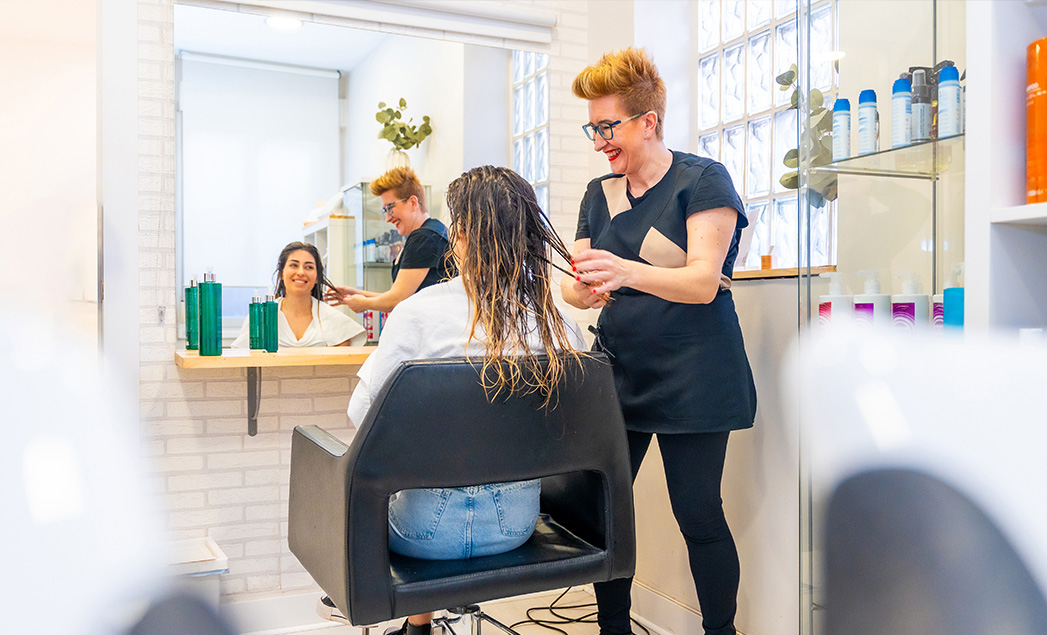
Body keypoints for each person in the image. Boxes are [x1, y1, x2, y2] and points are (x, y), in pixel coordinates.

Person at [315, 165, 587, 633]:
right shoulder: (556, 324)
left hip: (421, 533)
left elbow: (363, 416)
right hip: (514, 527)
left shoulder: (419, 314)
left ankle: (413, 621)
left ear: (459, 235)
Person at [563, 48, 757, 635]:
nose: (598, 141)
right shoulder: (599, 193)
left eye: (607, 127)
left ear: (648, 121)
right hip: (620, 372)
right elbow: (576, 290)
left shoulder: (702, 180)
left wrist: (622, 272)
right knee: (609, 514)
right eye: (591, 128)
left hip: (695, 373)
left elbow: (702, 282)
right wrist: (586, 290)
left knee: (697, 513)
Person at [326, 167, 454, 314]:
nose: (387, 218)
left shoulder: (424, 237)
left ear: (413, 202)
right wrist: (356, 294)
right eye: (384, 211)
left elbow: (396, 300)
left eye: (390, 208)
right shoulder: (434, 230)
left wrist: (364, 303)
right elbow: (401, 296)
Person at [231, 242, 363, 348]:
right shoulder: (261, 316)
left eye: (309, 267)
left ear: (317, 277)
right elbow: (244, 362)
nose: (301, 272)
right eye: (294, 265)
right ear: (282, 273)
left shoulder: (335, 320)